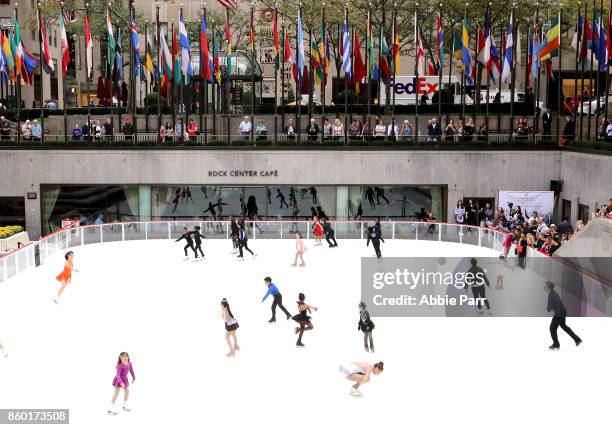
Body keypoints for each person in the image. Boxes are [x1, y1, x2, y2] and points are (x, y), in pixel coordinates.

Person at [545, 281, 582, 350]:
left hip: (559, 314)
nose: (544, 287)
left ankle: (556, 344)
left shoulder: (551, 296)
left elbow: (548, 309)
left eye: (545, 286)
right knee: (564, 327)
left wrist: (551, 308)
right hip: (562, 312)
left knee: (552, 328)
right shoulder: (554, 293)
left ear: (549, 288)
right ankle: (577, 339)